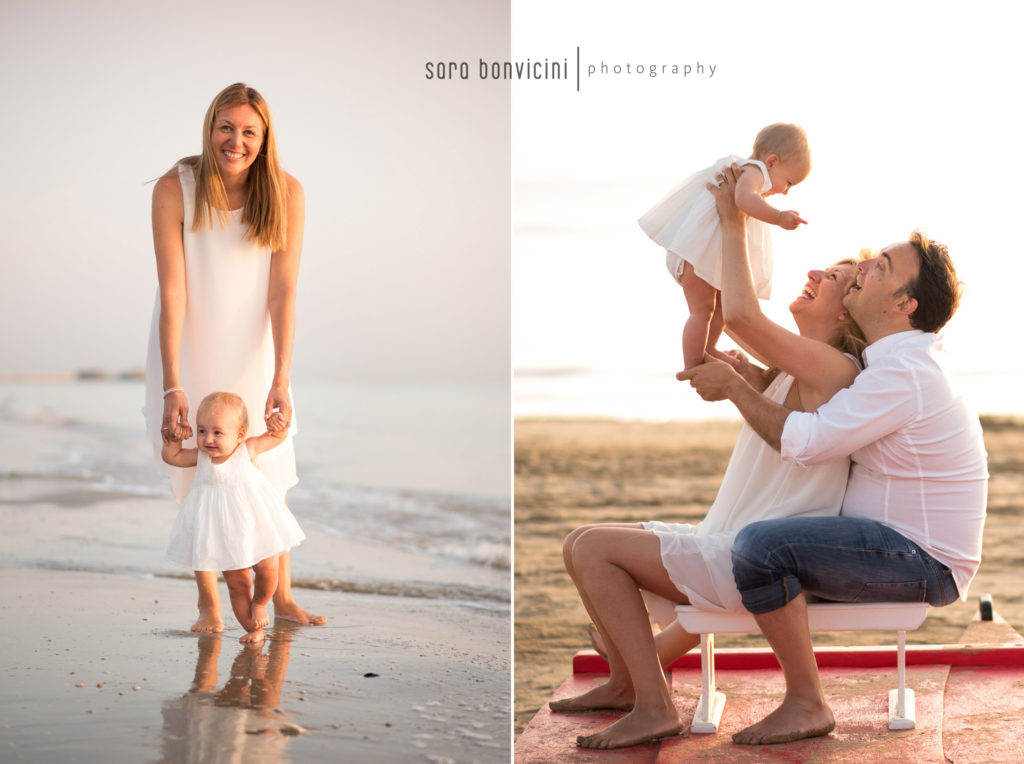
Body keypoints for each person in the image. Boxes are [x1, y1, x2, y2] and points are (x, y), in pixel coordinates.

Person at [558, 165, 864, 750]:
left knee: (595, 548)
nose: (815, 274)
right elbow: (739, 329)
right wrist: (747, 374)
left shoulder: (835, 369)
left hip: (753, 557)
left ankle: (653, 706)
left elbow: (742, 314)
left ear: (849, 315)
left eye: (834, 279)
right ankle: (627, 685)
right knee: (579, 541)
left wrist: (731, 217)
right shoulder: (798, 367)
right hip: (728, 541)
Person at [679, 175, 987, 745]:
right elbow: (810, 385)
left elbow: (808, 440)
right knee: (745, 542)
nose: (866, 266)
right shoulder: (889, 363)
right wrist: (759, 377)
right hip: (890, 542)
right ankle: (646, 661)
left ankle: (806, 703)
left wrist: (738, 388)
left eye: (881, 267)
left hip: (920, 558)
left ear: (904, 304)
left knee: (762, 547)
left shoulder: (904, 371)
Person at [144, 82, 324, 632]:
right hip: (188, 343)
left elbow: (283, 292)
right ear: (210, 127)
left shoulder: (286, 192)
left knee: (269, 473)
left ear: (265, 138)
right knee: (195, 473)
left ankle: (284, 598)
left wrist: (282, 375)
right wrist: (174, 383)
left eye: (249, 131)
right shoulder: (175, 188)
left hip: (256, 347)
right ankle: (208, 604)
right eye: (227, 127)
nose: (235, 141)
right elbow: (173, 290)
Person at [639, 123, 810, 369]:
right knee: (702, 309)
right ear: (771, 162)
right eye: (789, 183)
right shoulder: (754, 172)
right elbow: (743, 199)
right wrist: (779, 217)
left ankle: (708, 349)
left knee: (719, 307)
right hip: (697, 255)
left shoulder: (748, 172)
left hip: (703, 255)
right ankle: (693, 362)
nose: (785, 192)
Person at [163, 393, 305, 643]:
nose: (208, 439)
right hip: (223, 531)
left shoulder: (247, 449)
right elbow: (172, 457)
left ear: (240, 435)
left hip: (254, 524)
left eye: (217, 433)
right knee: (237, 585)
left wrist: (279, 424)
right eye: (202, 431)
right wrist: (172, 441)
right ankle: (253, 630)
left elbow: (277, 437)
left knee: (269, 566)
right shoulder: (201, 456)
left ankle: (261, 603)